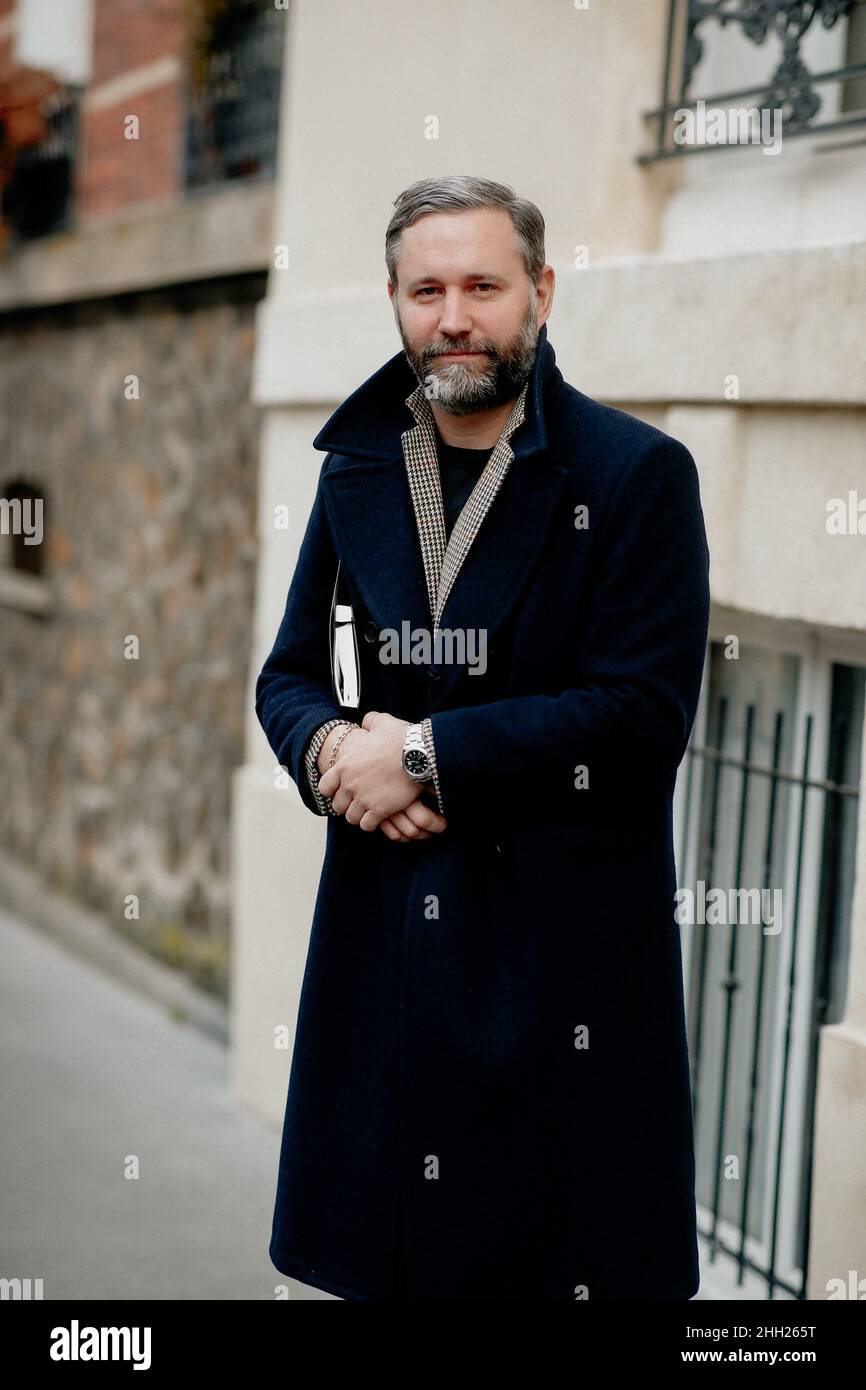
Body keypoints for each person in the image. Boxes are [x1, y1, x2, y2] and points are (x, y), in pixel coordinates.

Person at [255, 174, 711, 1300]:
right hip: (380, 965)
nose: (451, 315)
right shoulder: (357, 467)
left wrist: (417, 757)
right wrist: (328, 754)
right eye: (424, 289)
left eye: (480, 285)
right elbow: (288, 677)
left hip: (554, 992)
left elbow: (637, 721)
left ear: (539, 293)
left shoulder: (633, 475)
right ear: (396, 304)